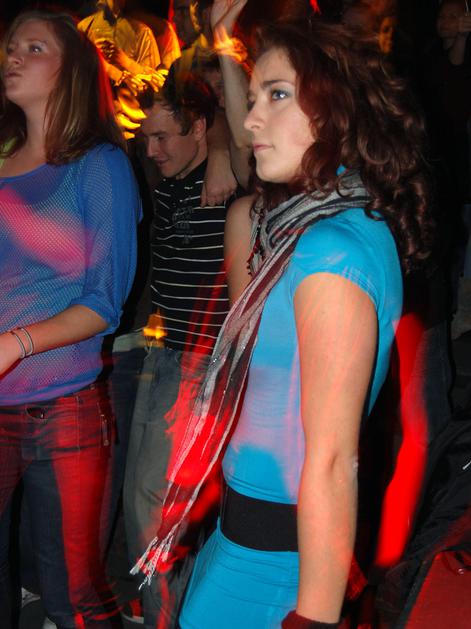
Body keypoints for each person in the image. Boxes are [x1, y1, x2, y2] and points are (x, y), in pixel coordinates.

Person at [132, 16, 434, 629]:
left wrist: (314, 618)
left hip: (274, 563)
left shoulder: (330, 250)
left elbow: (333, 460)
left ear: (338, 109)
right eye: (252, 99)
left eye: (277, 95)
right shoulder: (301, 227)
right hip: (245, 536)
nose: (250, 120)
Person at [0, 10, 140, 628]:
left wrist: (15, 342)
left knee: (72, 597)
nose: (13, 57)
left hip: (62, 410)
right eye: (10, 46)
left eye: (33, 47)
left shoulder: (98, 165)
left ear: (74, 70)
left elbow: (104, 302)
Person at [123, 77, 232, 628]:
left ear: (200, 129)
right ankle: (164, 609)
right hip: (164, 354)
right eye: (148, 138)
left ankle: (163, 618)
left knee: (157, 504)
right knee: (143, 498)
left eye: (163, 137)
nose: (152, 150)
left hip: (205, 363)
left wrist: (225, 151)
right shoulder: (168, 182)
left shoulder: (231, 183)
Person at [78, 0, 163, 137]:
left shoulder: (142, 33)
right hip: (91, 123)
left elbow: (152, 88)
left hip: (129, 129)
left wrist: (124, 62)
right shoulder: (84, 28)